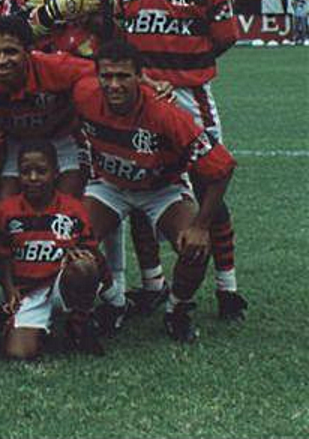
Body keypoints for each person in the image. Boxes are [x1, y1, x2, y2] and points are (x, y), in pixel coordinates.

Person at [111, 0, 247, 320]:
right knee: (138, 185)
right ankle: (152, 282)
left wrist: (183, 72)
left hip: (189, 98)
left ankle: (228, 286)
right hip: (140, 97)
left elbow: (225, 37)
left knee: (210, 188)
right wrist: (147, 79)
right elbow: (119, 37)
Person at [75, 41, 237, 342]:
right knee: (74, 243)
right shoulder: (84, 94)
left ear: (140, 77)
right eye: (106, 76)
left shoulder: (166, 114)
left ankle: (177, 309)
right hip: (109, 185)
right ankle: (115, 302)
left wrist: (202, 226)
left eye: (123, 76)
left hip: (160, 188)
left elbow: (223, 168)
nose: (114, 84)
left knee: (196, 247)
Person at [0, 16, 94, 201]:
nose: (2, 60)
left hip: (60, 138)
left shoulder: (58, 67)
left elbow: (104, 73)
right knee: (5, 204)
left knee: (68, 204)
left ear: (29, 51)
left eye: (11, 52)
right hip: (14, 141)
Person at [0, 140, 105, 360]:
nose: (33, 178)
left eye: (41, 171)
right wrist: (9, 289)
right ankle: (46, 329)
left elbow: (91, 252)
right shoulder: (6, 210)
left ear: (55, 173)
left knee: (83, 266)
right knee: (18, 353)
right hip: (29, 290)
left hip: (60, 285)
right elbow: (1, 255)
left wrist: (79, 255)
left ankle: (79, 323)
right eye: (26, 172)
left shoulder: (73, 209)